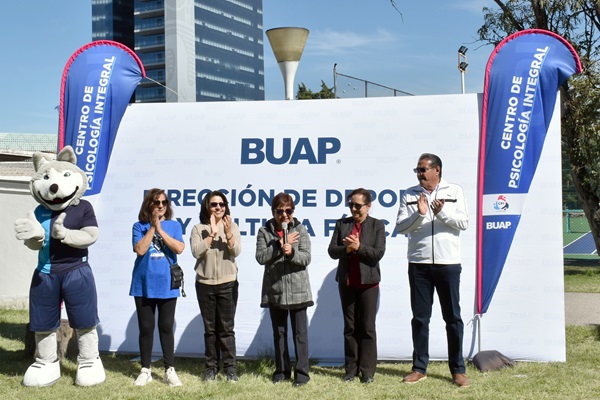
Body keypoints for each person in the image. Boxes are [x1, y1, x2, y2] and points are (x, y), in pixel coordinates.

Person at [396, 153, 470, 387]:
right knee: (420, 318)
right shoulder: (409, 194)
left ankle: (458, 370)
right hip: (419, 264)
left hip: (448, 263)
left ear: (436, 170)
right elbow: (400, 227)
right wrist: (419, 215)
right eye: (417, 170)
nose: (419, 174)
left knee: (453, 318)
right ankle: (419, 368)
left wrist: (442, 213)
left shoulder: (454, 191)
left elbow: (464, 223)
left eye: (423, 170)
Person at [328, 188, 386, 384]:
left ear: (368, 206)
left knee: (367, 328)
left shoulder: (377, 225)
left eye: (358, 205)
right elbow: (332, 251)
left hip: (369, 283)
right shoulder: (342, 224)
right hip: (347, 282)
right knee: (350, 327)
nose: (354, 208)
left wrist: (359, 247)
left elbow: (378, 253)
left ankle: (367, 371)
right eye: (351, 204)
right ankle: (350, 370)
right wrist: (347, 248)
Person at [255, 192, 313, 387]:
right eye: (280, 211)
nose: (285, 215)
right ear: (273, 212)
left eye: (289, 210)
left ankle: (302, 375)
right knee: (279, 333)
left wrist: (292, 252)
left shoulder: (301, 229)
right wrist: (278, 247)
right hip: (275, 291)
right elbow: (260, 257)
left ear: (293, 211)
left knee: (300, 334)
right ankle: (281, 372)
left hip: (298, 290)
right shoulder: (265, 231)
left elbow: (306, 258)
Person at [130, 188, 185, 387]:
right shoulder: (139, 226)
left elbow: (179, 248)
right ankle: (145, 369)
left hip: (167, 284)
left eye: (164, 202)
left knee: (166, 327)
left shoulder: (174, 225)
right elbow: (140, 249)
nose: (161, 205)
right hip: (143, 284)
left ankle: (169, 369)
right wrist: (152, 227)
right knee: (146, 328)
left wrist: (161, 229)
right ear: (149, 205)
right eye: (156, 202)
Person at [190, 190, 241, 382]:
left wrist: (227, 234)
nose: (218, 207)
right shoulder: (198, 228)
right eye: (214, 204)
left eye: (221, 204)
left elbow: (236, 251)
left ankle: (230, 369)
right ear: (207, 206)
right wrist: (211, 234)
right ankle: (211, 368)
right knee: (210, 330)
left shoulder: (232, 226)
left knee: (227, 329)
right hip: (205, 284)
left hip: (228, 283)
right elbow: (196, 252)